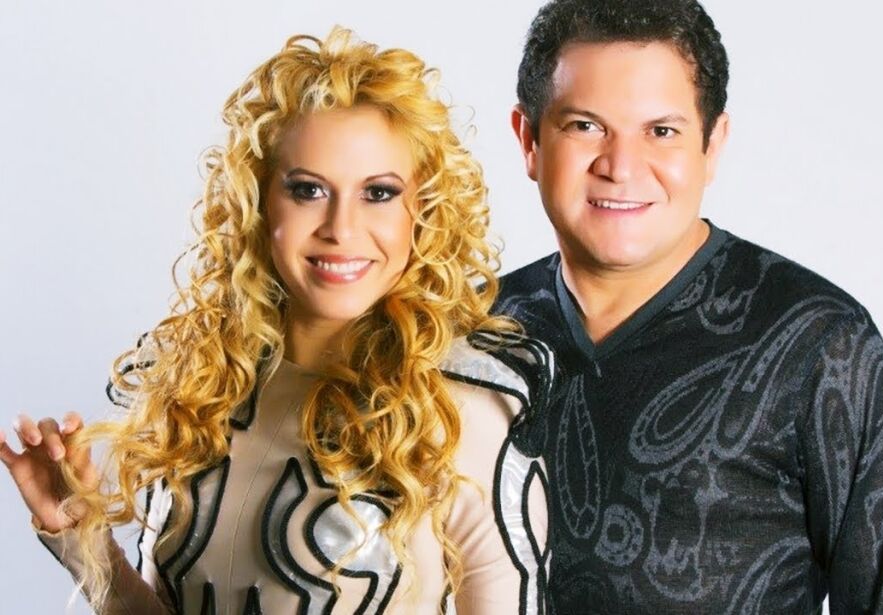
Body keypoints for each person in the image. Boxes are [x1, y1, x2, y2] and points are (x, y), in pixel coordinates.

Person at [0, 28, 552, 614]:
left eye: (378, 194)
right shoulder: (195, 385)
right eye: (308, 190)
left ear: (424, 210)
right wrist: (80, 537)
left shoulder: (464, 411)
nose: (341, 229)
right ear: (259, 203)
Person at [496, 0, 883, 612]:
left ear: (712, 144)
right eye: (585, 126)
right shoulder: (467, 334)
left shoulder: (819, 344)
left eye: (661, 131)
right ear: (529, 140)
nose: (620, 166)